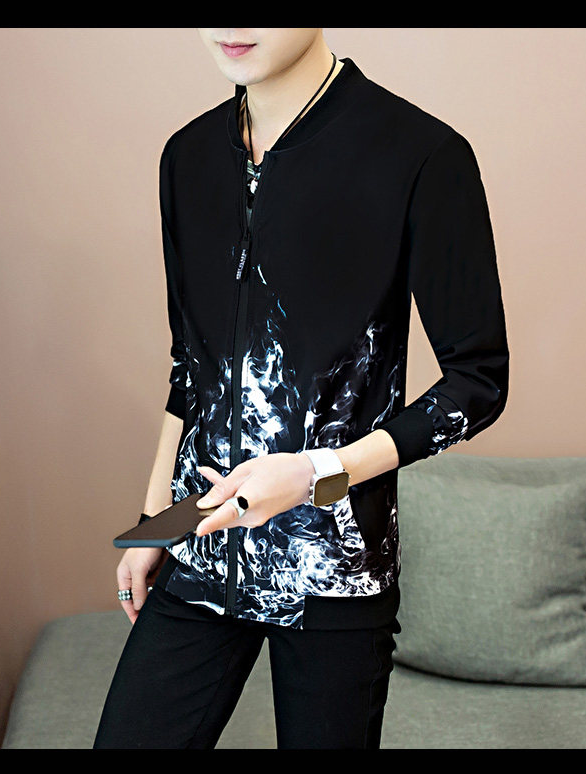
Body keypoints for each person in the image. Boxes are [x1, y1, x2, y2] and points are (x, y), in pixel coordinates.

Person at [93, 28, 509, 749]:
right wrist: (156, 520)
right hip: (202, 542)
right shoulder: (188, 156)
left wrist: (317, 473)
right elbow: (191, 366)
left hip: (335, 565)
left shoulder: (421, 154)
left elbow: (479, 382)